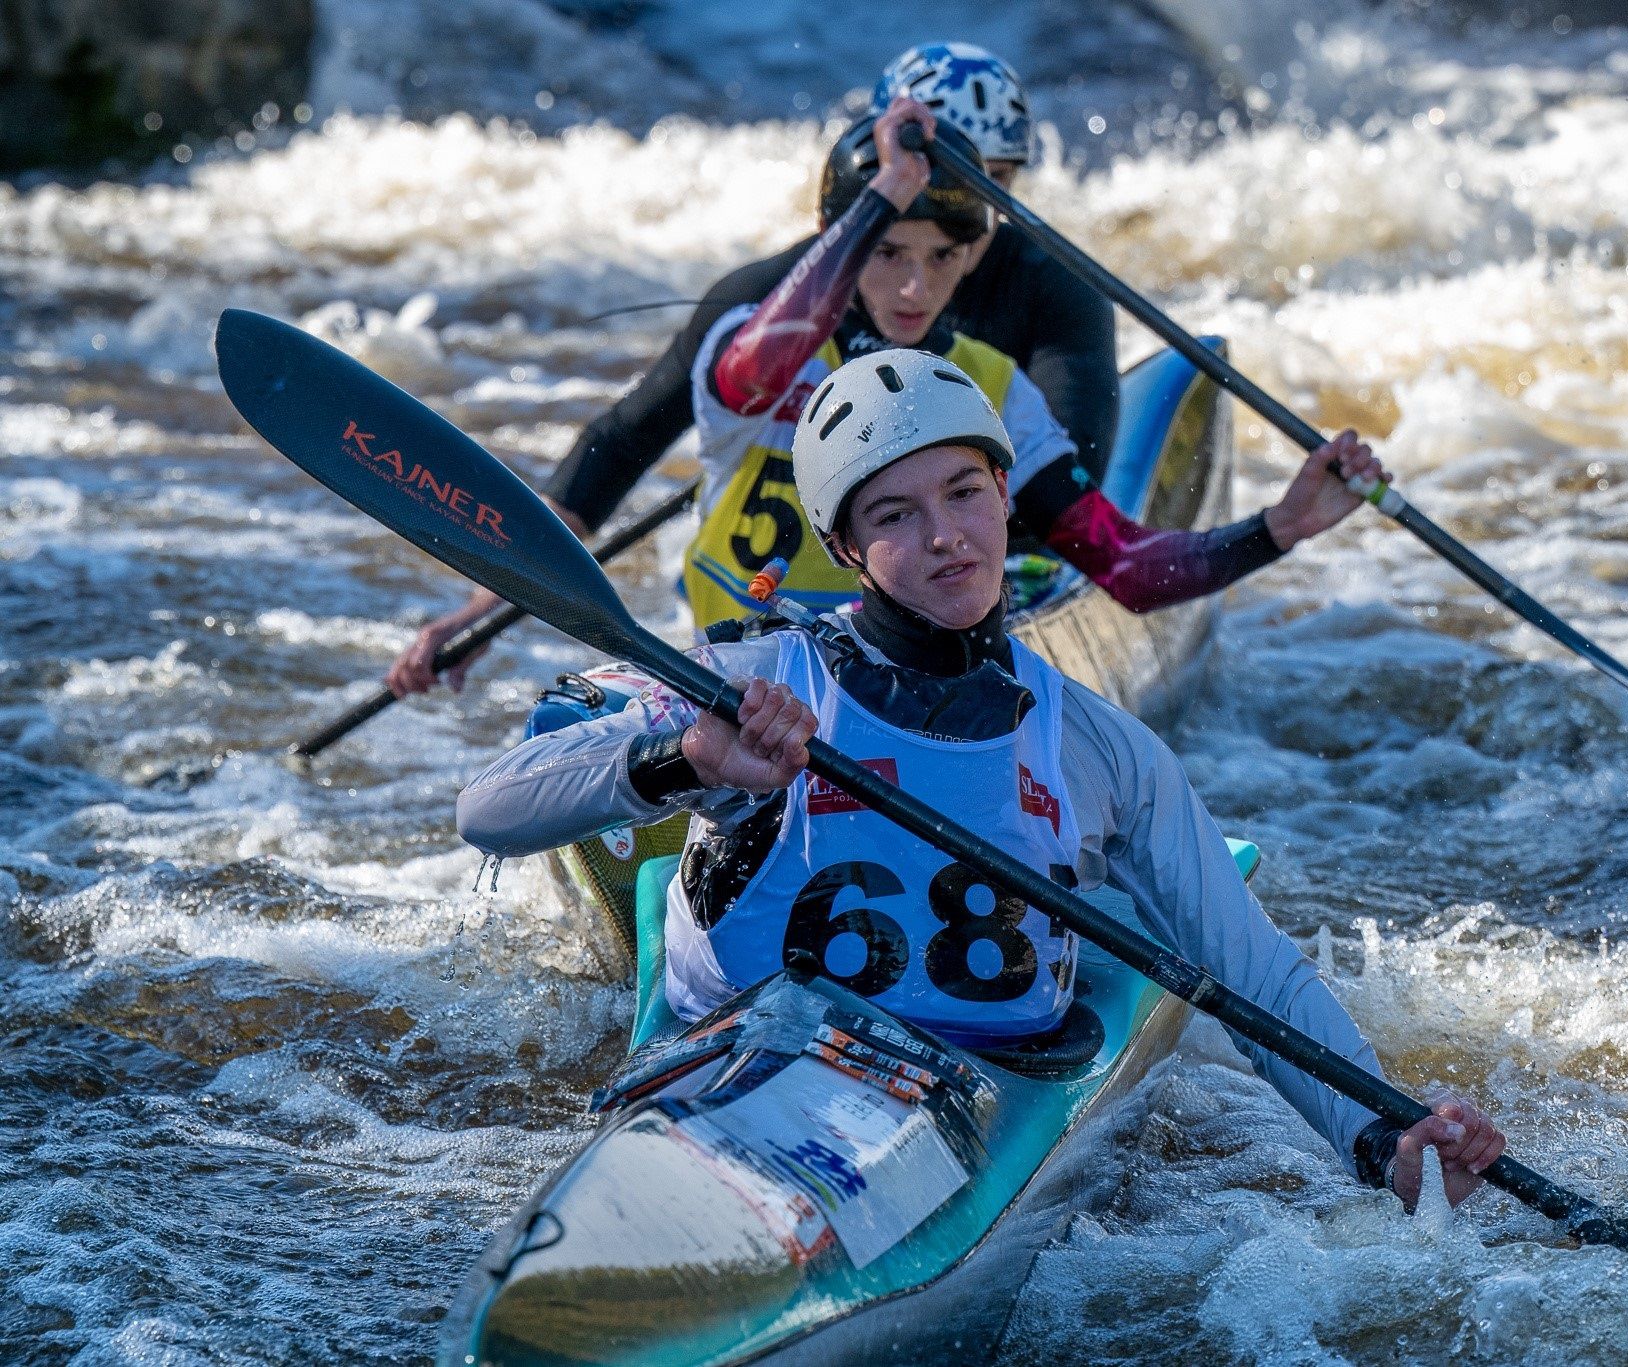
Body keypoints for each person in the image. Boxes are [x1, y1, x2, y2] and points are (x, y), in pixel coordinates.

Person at [455, 348, 1505, 1207]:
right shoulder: (755, 683)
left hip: (961, 1101)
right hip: (729, 1078)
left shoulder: (1099, 751)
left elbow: (1249, 970)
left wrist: (1383, 1136)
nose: (945, 534)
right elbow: (487, 807)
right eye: (895, 514)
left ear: (1007, 493)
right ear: (844, 544)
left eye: (964, 491)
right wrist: (678, 758)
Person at [387, 43, 1385, 687]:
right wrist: (482, 607)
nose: (916, 280)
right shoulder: (759, 332)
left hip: (916, 674)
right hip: (746, 671)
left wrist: (1282, 527)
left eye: (949, 243)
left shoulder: (1010, 364)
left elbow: (1111, 559)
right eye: (887, 248)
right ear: (855, 202)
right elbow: (620, 448)